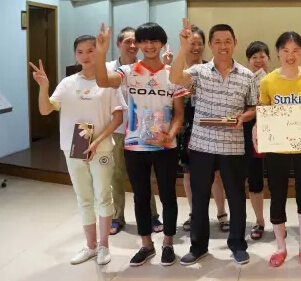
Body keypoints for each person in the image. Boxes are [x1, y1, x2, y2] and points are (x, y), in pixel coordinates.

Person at [96, 22, 187, 267]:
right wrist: (101, 51)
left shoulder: (173, 75)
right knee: (141, 196)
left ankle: (168, 243)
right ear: (138, 44)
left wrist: (170, 135)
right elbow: (103, 81)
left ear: (162, 44)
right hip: (135, 146)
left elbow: (179, 114)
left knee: (168, 196)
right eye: (143, 41)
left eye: (154, 41)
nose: (149, 45)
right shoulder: (128, 71)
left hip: (165, 147)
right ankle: (146, 245)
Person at [30, 35, 125, 265]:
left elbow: (117, 118)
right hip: (73, 147)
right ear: (75, 55)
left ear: (98, 51)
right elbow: (45, 109)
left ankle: (103, 246)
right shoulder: (68, 83)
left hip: (100, 148)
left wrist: (96, 141)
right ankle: (90, 246)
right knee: (84, 198)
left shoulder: (107, 82)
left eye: (91, 50)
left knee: (103, 196)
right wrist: (44, 87)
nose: (85, 56)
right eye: (80, 51)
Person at [170, 20, 256, 265]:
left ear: (235, 42)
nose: (223, 46)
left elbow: (253, 107)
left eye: (227, 41)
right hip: (202, 145)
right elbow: (175, 77)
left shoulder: (247, 76)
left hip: (232, 146)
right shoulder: (199, 72)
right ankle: (198, 246)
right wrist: (183, 47)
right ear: (210, 44)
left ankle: (237, 245)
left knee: (236, 199)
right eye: (217, 42)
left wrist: (243, 117)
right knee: (199, 199)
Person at [253, 31, 301, 268]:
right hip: (277, 149)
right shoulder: (268, 81)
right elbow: (263, 113)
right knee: (277, 195)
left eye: (295, 50)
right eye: (285, 50)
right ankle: (280, 247)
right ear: (278, 52)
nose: (290, 55)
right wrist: (256, 131)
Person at [106, 27, 162, 235]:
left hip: (142, 130)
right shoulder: (108, 68)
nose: (132, 46)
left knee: (144, 177)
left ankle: (152, 215)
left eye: (134, 42)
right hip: (117, 129)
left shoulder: (145, 67)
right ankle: (116, 217)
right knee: (116, 175)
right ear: (118, 44)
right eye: (127, 42)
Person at [176, 25, 229, 233]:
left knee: (216, 173)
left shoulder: (211, 68)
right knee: (188, 173)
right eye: (192, 43)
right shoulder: (177, 70)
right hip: (186, 127)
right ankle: (194, 213)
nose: (196, 47)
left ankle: (222, 213)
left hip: (210, 126)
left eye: (199, 43)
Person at [244, 40, 271, 240]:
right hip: (249, 133)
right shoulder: (243, 80)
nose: (259, 60)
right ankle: (259, 221)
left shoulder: (276, 79)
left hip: (274, 134)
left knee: (277, 179)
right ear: (248, 60)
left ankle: (278, 220)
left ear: (269, 59)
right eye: (254, 57)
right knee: (254, 178)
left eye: (262, 56)